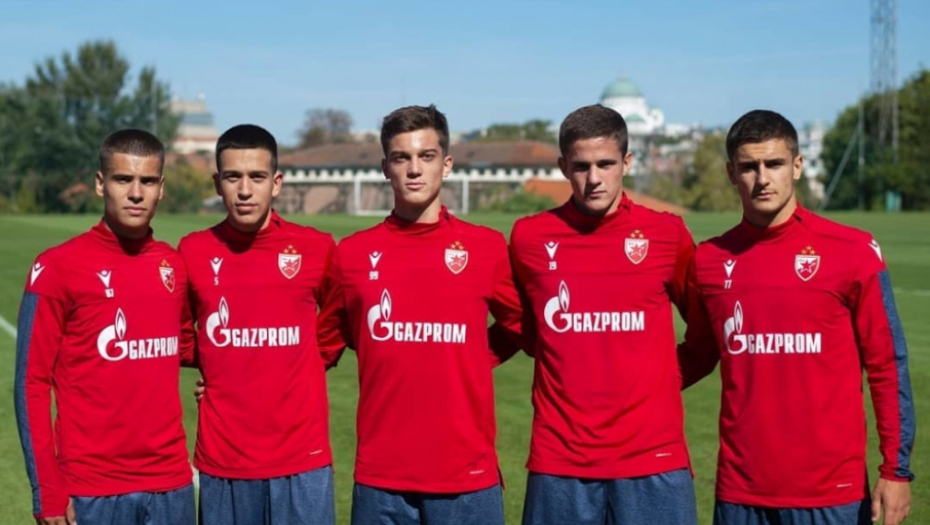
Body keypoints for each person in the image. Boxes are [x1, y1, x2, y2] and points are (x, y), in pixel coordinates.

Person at [679, 109, 915, 525]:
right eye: (749, 167)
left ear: (798, 166)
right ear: (732, 173)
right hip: (740, 491)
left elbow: (886, 365)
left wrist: (895, 469)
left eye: (774, 164)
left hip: (831, 494)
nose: (762, 178)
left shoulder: (852, 251)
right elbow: (697, 356)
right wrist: (612, 386)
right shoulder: (710, 259)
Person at [315, 104, 523, 525]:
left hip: (467, 476)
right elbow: (321, 347)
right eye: (401, 157)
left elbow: (524, 327)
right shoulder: (352, 255)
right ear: (385, 168)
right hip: (381, 478)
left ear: (446, 164)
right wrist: (231, 382)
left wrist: (474, 355)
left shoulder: (485, 249)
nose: (414, 169)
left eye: (426, 156)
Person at [509, 104, 699, 525]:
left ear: (626, 163)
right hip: (560, 462)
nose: (593, 178)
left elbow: (707, 333)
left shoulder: (667, 234)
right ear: (563, 166)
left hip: (654, 458)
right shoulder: (529, 238)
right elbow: (522, 325)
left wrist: (662, 381)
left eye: (606, 164)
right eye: (581, 166)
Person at [14, 129, 195, 525]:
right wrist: (46, 489)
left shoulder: (173, 265)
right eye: (123, 179)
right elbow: (31, 384)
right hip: (90, 490)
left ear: (162, 188)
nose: (136, 193)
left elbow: (190, 348)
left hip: (172, 486)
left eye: (148, 181)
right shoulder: (56, 267)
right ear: (101, 183)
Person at [178, 124, 336, 525]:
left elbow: (342, 322)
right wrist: (218, 367)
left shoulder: (315, 248)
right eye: (233, 177)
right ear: (217, 183)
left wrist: (304, 362)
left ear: (276, 183)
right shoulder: (194, 250)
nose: (245, 190)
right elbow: (178, 333)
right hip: (223, 460)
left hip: (302, 459)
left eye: (257, 177)